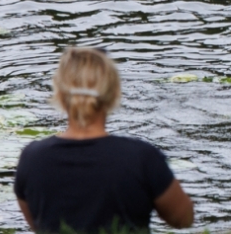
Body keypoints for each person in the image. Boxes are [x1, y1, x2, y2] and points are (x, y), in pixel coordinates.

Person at [15, 47, 195, 234]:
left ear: (60, 93)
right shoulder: (142, 158)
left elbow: (37, 224)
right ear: (114, 93)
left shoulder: (32, 159)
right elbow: (183, 219)